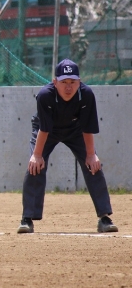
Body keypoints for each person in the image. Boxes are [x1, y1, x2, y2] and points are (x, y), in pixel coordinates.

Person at [17, 59, 118, 234]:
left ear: (79, 82)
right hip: (46, 130)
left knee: (93, 166)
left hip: (75, 130)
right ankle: (27, 219)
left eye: (73, 82)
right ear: (55, 82)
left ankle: (104, 218)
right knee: (35, 165)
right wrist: (37, 155)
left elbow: (87, 127)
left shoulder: (86, 95)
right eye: (64, 82)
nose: (69, 87)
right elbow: (44, 129)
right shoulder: (45, 95)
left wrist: (91, 155)